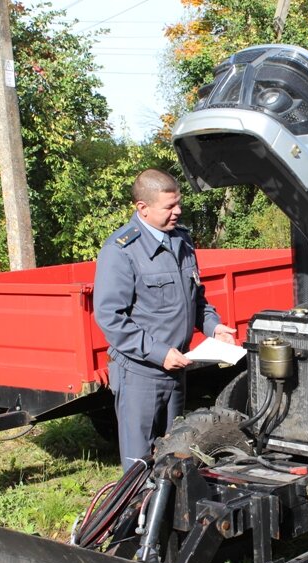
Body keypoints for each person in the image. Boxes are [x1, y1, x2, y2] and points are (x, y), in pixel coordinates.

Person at [94, 169, 236, 471]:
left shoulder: (181, 241)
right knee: (139, 464)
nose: (178, 211)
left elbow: (195, 299)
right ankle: (138, 516)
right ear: (142, 208)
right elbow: (110, 318)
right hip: (140, 374)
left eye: (178, 204)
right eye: (169, 207)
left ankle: (168, 515)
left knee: (175, 452)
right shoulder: (121, 251)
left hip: (176, 369)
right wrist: (159, 353)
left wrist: (214, 327)